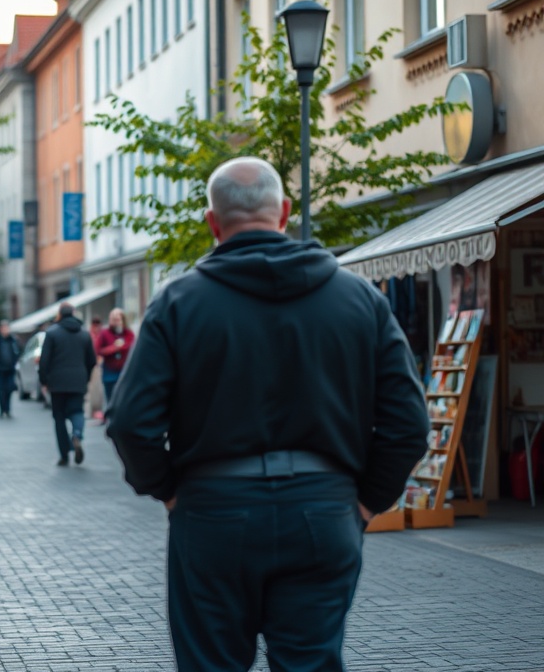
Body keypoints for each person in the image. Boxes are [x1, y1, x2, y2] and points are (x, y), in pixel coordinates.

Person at [106, 157, 429, 672]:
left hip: (213, 510)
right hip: (323, 510)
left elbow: (129, 422)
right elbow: (409, 424)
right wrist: (364, 504)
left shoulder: (179, 304)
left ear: (212, 222)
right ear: (284, 212)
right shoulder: (360, 300)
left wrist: (168, 491)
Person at [38, 302, 96, 466]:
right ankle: (77, 434)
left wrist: (44, 380)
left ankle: (64, 455)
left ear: (60, 314)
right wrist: (85, 378)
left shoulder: (52, 333)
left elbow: (44, 361)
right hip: (78, 380)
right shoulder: (84, 334)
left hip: (57, 383)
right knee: (77, 411)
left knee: (59, 417)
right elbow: (91, 360)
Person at [95, 308, 135, 416]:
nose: (114, 322)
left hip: (125, 371)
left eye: (117, 319)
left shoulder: (129, 333)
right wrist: (114, 348)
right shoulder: (104, 333)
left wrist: (121, 347)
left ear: (122, 320)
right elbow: (98, 350)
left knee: (125, 398)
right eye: (112, 319)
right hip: (109, 372)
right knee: (111, 398)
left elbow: (132, 347)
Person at [0, 320, 21, 419]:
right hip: (1, 369)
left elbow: (18, 351)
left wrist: (16, 361)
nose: (5, 330)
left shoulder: (13, 340)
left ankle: (8, 409)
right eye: (3, 328)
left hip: (11, 369)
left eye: (6, 328)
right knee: (1, 391)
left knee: (9, 389)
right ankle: (2, 410)